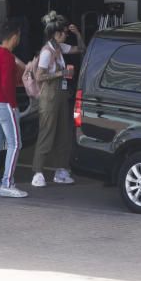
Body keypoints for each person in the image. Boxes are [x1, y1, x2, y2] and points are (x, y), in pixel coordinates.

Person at [32, 11, 85, 188]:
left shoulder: (59, 48)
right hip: (49, 95)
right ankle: (38, 171)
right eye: (64, 32)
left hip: (61, 94)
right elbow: (39, 76)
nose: (66, 34)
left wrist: (78, 34)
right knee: (47, 132)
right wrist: (61, 73)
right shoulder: (47, 51)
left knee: (63, 132)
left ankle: (61, 170)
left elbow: (81, 49)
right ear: (56, 33)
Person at [0, 20, 28, 198]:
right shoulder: (8, 57)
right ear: (13, 37)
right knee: (15, 143)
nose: (19, 39)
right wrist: (13, 105)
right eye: (18, 36)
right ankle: (8, 183)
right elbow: (7, 84)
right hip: (5, 104)